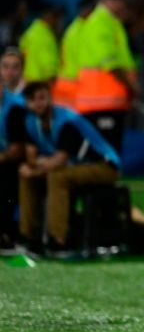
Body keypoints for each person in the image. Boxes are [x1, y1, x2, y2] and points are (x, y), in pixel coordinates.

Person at [17, 81, 121, 254]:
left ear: (50, 98)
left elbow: (60, 160)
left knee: (57, 177)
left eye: (42, 98)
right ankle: (28, 238)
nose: (38, 103)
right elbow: (31, 154)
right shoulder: (30, 122)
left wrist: (36, 168)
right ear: (27, 103)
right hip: (74, 167)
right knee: (27, 177)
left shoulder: (66, 120)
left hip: (104, 166)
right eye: (33, 99)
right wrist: (31, 168)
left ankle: (58, 240)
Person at [76, 0, 139, 152]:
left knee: (111, 147)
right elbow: (110, 63)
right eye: (118, 0)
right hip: (101, 100)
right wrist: (131, 86)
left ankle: (108, 177)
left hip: (110, 99)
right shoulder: (100, 23)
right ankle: (102, 178)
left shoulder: (111, 22)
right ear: (106, 0)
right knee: (104, 149)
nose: (122, 4)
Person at [53, 0, 95, 108]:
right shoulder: (83, 31)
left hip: (65, 83)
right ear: (89, 10)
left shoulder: (72, 29)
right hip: (74, 85)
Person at [0, 82, 27, 250]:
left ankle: (7, 233)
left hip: (15, 162)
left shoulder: (15, 108)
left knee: (6, 176)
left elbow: (17, 150)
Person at [19, 5, 61, 84]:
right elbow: (47, 61)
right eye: (56, 19)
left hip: (27, 78)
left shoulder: (30, 31)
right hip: (40, 81)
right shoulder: (44, 36)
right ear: (49, 17)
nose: (57, 22)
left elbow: (22, 53)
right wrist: (51, 78)